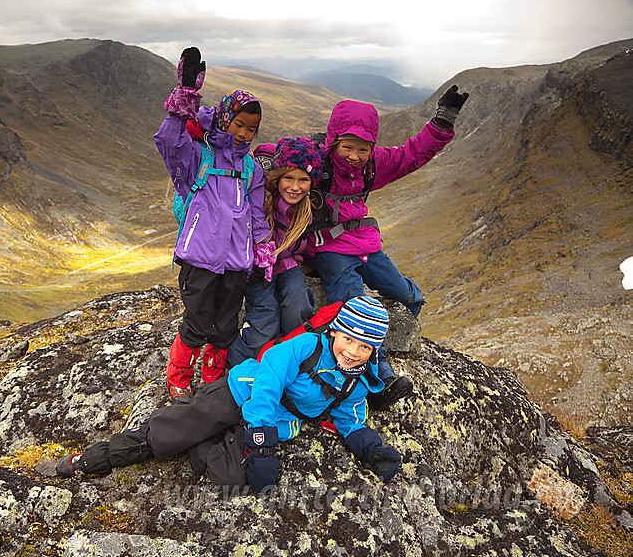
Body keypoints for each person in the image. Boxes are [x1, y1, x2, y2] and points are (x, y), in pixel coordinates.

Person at [56, 296, 407, 493]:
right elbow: (267, 385)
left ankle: (201, 437)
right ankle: (91, 460)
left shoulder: (358, 382)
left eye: (365, 346)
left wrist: (372, 451)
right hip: (240, 393)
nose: (353, 351)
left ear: (374, 350)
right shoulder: (303, 347)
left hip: (276, 422)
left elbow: (350, 420)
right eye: (348, 339)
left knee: (228, 480)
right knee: (162, 438)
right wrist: (262, 442)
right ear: (334, 333)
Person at [154, 47, 271, 403]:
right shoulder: (197, 156)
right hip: (199, 260)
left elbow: (256, 215)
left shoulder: (252, 169)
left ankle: (212, 378)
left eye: (252, 129)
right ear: (223, 120)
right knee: (196, 323)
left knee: (224, 327)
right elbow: (168, 142)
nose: (245, 134)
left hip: (236, 264)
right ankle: (179, 378)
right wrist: (185, 95)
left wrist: (262, 252)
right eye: (239, 125)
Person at [306, 86, 470, 317]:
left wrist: (442, 123)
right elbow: (278, 152)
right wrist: (264, 158)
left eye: (363, 149)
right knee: (353, 304)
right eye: (347, 147)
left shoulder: (373, 164)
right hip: (328, 248)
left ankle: (404, 330)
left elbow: (410, 155)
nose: (354, 156)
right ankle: (363, 349)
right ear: (333, 141)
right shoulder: (316, 159)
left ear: (372, 148)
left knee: (406, 294)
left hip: (366, 245)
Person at [226, 136, 323, 367]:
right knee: (266, 314)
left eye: (303, 180)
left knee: (298, 299)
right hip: (259, 269)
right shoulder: (262, 200)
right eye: (288, 178)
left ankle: (295, 354)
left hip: (288, 264)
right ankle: (235, 365)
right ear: (277, 178)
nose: (295, 186)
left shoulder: (308, 207)